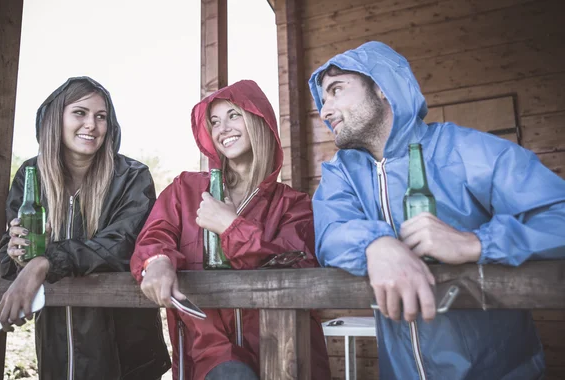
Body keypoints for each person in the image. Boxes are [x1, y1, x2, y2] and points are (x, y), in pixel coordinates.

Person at [308, 41, 565, 379]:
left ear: (382, 88)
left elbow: (557, 215)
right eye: (323, 99)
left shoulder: (466, 150)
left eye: (336, 90)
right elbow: (330, 231)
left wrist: (476, 243)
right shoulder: (341, 173)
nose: (325, 111)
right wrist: (377, 244)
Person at [131, 80, 331, 380]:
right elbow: (155, 236)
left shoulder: (295, 205)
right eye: (214, 121)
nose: (223, 127)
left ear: (259, 120)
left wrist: (231, 227)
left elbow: (298, 267)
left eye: (234, 115)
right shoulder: (186, 190)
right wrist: (156, 262)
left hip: (287, 355)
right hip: (211, 358)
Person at [0, 77, 171, 380]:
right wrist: (17, 254)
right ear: (56, 118)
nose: (92, 125)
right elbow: (6, 248)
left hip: (126, 353)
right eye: (80, 113)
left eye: (101, 116)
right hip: (57, 349)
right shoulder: (31, 176)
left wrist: (45, 261)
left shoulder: (132, 176)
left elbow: (120, 245)